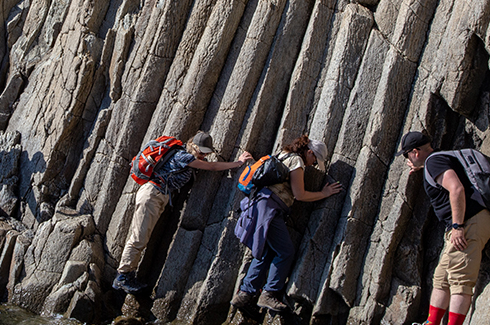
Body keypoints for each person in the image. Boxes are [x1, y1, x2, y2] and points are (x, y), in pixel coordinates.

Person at [113, 131, 253, 294]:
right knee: (139, 237)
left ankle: (127, 275)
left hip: (156, 196)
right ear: (193, 147)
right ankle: (122, 276)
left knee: (142, 236)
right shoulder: (184, 157)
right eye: (201, 152)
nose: (203, 155)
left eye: (206, 153)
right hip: (152, 195)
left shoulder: (185, 156)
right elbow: (212, 166)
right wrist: (238, 163)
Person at [398, 131, 490, 325]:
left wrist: (458, 226)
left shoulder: (434, 162)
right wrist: (421, 168)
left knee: (461, 279)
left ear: (415, 152)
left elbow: (456, 189)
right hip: (465, 224)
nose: (407, 161)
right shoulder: (436, 160)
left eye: (407, 156)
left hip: (469, 224)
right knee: (442, 276)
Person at [231, 136, 342, 313]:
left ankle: (244, 294)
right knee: (285, 251)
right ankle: (269, 294)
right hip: (270, 209)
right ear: (310, 152)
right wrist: (324, 193)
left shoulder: (283, 154)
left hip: (260, 205)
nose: (312, 165)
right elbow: (300, 195)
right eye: (314, 161)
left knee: (265, 251)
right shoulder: (297, 161)